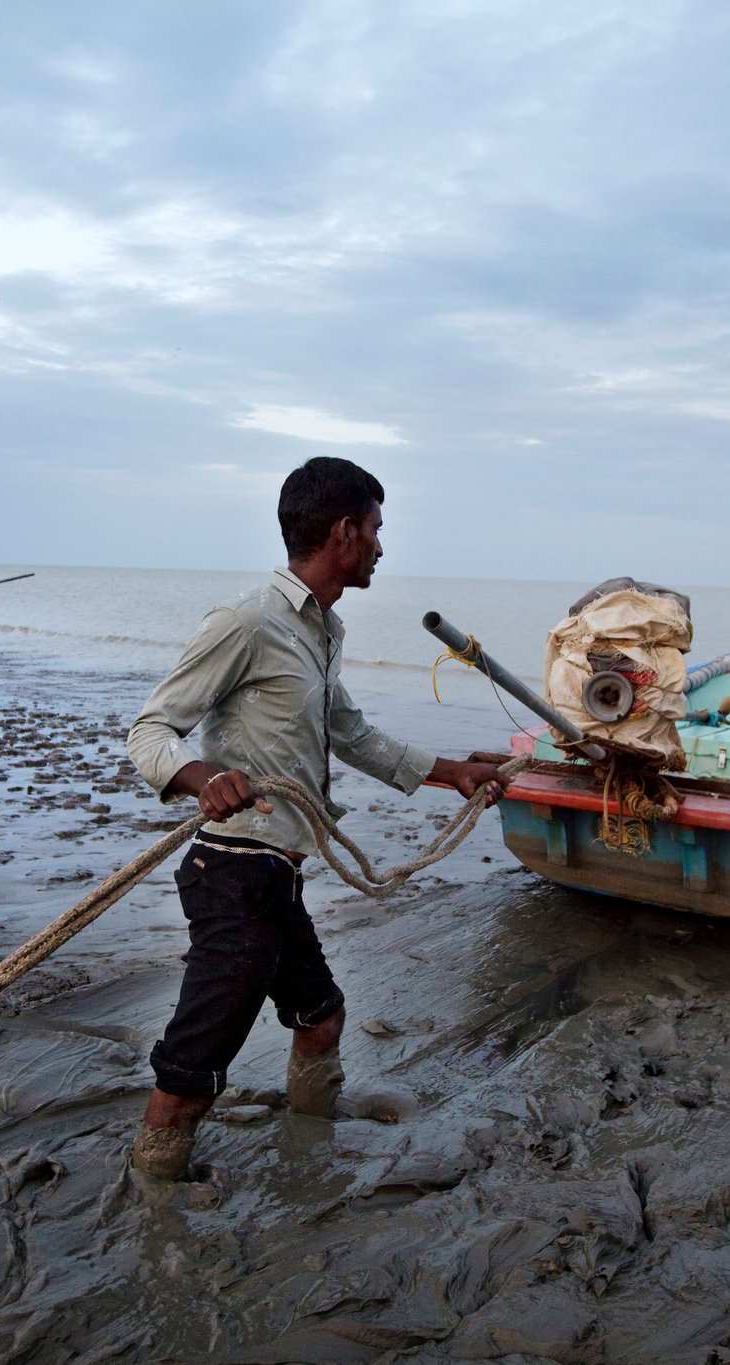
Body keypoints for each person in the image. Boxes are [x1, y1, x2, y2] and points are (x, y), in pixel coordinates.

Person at [124, 457, 507, 1179]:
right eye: (375, 530)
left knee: (321, 1016)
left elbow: (351, 733)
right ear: (344, 532)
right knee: (194, 1068)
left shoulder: (323, 630)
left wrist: (452, 772)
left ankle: (313, 1137)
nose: (381, 547)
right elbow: (150, 730)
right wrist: (203, 778)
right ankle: (156, 1186)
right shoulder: (247, 621)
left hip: (277, 877)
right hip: (234, 875)